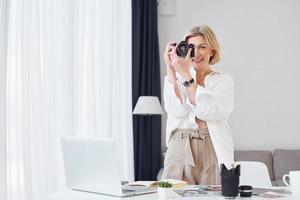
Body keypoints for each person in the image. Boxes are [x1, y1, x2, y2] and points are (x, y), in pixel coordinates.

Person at [161, 25, 234, 185]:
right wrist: (171, 67)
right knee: (172, 195)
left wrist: (186, 73)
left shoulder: (222, 80)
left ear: (212, 51)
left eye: (202, 47)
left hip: (211, 144)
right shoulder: (177, 79)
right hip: (179, 143)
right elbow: (176, 111)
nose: (196, 53)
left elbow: (208, 112)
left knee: (212, 195)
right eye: (191, 48)